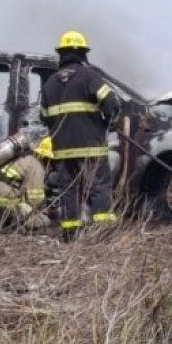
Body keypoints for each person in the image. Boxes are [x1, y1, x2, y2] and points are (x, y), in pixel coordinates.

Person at [40, 30, 122, 242]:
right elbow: (112, 102)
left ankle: (70, 233)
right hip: (91, 146)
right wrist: (108, 121)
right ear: (83, 54)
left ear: (61, 54)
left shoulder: (49, 84)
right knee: (99, 188)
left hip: (62, 149)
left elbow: (44, 117)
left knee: (68, 190)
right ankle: (103, 233)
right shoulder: (89, 77)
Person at [0, 137, 52, 230]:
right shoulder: (37, 166)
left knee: (20, 200)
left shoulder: (25, 156)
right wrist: (44, 211)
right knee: (43, 221)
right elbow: (35, 198)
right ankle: (7, 216)